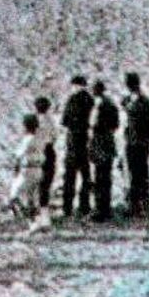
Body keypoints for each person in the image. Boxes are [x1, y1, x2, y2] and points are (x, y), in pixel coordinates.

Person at [9, 114, 50, 233]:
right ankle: (39, 221)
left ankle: (32, 221)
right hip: (38, 169)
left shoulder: (27, 139)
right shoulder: (40, 138)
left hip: (27, 170)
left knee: (14, 196)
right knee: (31, 197)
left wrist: (15, 169)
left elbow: (18, 156)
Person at [123, 72, 149, 216]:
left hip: (139, 142)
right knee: (134, 173)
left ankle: (140, 204)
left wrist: (148, 141)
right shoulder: (132, 100)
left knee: (139, 174)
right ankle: (136, 204)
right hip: (132, 141)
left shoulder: (144, 102)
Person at [61, 76, 94, 218]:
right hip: (85, 141)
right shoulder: (90, 100)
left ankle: (67, 207)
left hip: (73, 142)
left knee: (70, 176)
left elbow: (65, 121)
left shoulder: (72, 100)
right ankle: (84, 205)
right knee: (85, 175)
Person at [91, 80, 120, 222]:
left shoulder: (98, 106)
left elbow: (93, 124)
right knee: (106, 177)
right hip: (108, 141)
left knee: (99, 177)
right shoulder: (111, 104)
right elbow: (116, 124)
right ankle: (106, 208)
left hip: (99, 142)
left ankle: (100, 210)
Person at [34, 95, 57, 210]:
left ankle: (37, 203)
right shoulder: (50, 120)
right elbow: (54, 137)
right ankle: (44, 203)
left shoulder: (34, 120)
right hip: (48, 149)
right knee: (47, 178)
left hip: (37, 150)